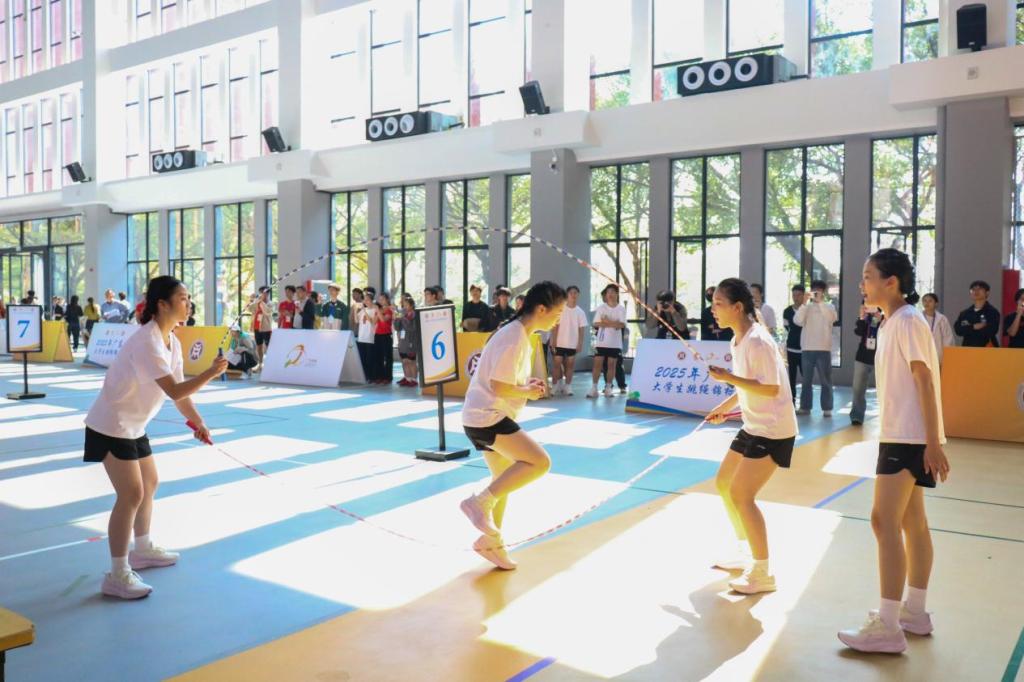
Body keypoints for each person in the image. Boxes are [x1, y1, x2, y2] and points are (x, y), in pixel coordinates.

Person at [83, 276, 228, 599]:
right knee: (131, 494)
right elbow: (174, 390)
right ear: (162, 304)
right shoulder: (146, 341)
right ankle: (117, 574)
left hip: (134, 426)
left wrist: (198, 421)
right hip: (111, 424)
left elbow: (180, 396)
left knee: (149, 484)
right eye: (183, 298)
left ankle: (143, 549)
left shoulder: (171, 341)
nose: (189, 304)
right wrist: (210, 372)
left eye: (188, 298)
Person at [839, 248, 949, 654]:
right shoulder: (890, 323)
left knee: (882, 521)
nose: (862, 284)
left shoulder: (907, 321)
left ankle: (887, 626)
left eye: (868, 277)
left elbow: (925, 379)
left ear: (892, 282)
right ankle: (914, 612)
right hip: (902, 434)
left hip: (908, 437)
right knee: (911, 521)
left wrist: (932, 442)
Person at [459, 281, 566, 570]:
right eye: (557, 313)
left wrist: (525, 385)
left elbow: (504, 380)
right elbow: (498, 385)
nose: (558, 319)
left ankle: (492, 543)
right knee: (540, 462)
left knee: (503, 480)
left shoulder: (519, 334)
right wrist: (526, 391)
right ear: (541, 309)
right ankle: (478, 503)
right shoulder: (515, 336)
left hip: (482, 415)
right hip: (488, 416)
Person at [706, 277, 797, 595]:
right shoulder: (737, 340)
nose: (713, 309)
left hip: (773, 429)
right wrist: (724, 406)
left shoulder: (758, 341)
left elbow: (770, 388)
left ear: (737, 307)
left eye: (718, 304)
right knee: (724, 483)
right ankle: (745, 550)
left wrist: (728, 378)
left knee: (742, 495)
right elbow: (748, 382)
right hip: (753, 425)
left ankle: (762, 572)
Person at [794, 280, 838, 417]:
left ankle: (827, 408)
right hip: (807, 348)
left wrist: (821, 303)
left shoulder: (829, 307)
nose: (816, 294)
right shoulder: (806, 307)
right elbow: (797, 321)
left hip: (824, 348)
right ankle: (805, 407)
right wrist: (804, 303)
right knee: (806, 381)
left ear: (824, 292)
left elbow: (832, 318)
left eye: (819, 291)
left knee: (826, 380)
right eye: (814, 291)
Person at [587, 283, 626, 398]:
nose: (610, 294)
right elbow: (596, 323)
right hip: (602, 342)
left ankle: (609, 387)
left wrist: (606, 322)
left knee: (611, 365)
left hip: (615, 343)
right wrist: (613, 324)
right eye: (608, 292)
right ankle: (594, 388)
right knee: (597, 364)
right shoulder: (601, 308)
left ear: (617, 294)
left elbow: (621, 325)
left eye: (613, 292)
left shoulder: (621, 309)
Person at [550, 285, 588, 396]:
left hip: (572, 344)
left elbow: (581, 329)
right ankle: (555, 386)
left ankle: (568, 386)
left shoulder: (580, 312)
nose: (573, 295)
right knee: (556, 365)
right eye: (571, 293)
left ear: (578, 295)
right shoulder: (561, 309)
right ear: (567, 295)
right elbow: (555, 326)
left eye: (575, 293)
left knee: (570, 366)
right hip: (559, 343)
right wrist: (554, 340)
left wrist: (580, 343)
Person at [851, 301, 881, 426]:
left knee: (884, 388)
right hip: (863, 356)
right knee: (858, 388)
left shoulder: (886, 317)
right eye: (867, 305)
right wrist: (862, 317)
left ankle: (888, 417)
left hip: (880, 356)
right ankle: (857, 416)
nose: (870, 307)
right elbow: (858, 332)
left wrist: (880, 320)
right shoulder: (865, 318)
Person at [954, 280, 1000, 347]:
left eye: (980, 289)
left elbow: (992, 330)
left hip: (987, 349)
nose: (976, 291)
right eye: (973, 289)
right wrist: (973, 327)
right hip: (967, 348)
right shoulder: (965, 313)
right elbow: (958, 330)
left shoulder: (992, 312)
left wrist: (967, 329)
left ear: (987, 293)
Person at [782, 285, 805, 401]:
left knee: (806, 375)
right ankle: (792, 398)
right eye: (794, 295)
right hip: (791, 348)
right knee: (791, 375)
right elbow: (786, 327)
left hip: (805, 349)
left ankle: (806, 400)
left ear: (803, 296)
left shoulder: (807, 310)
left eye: (798, 295)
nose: (796, 298)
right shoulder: (787, 311)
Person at [920, 293, 954, 363]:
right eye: (925, 301)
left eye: (930, 301)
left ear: (936, 304)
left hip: (938, 355)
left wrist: (947, 356)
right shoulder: (918, 318)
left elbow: (948, 339)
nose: (927, 303)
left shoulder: (942, 319)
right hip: (922, 353)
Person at [393, 294, 419, 386]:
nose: (404, 307)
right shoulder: (403, 314)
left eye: (406, 305)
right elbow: (397, 328)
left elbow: (412, 328)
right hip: (403, 341)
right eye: (404, 305)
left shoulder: (415, 315)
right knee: (404, 361)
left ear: (411, 305)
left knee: (411, 361)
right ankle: (408, 378)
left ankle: (414, 380)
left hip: (411, 341)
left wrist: (403, 318)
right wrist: (396, 319)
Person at [356, 286, 378, 382]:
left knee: (370, 359)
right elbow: (357, 321)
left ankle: (371, 377)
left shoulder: (375, 309)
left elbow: (373, 322)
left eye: (367, 300)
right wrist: (356, 310)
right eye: (364, 300)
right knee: (363, 358)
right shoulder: (362, 310)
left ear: (372, 300)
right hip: (361, 337)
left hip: (369, 337)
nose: (365, 301)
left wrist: (364, 311)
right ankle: (364, 376)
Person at [374, 292, 395, 384]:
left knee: (388, 357)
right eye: (379, 299)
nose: (380, 301)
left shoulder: (389, 309)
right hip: (378, 334)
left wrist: (378, 311)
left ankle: (388, 377)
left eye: (382, 299)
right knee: (378, 356)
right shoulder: (380, 309)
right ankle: (379, 376)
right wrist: (378, 311)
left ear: (387, 299)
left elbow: (383, 320)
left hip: (386, 335)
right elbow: (374, 321)